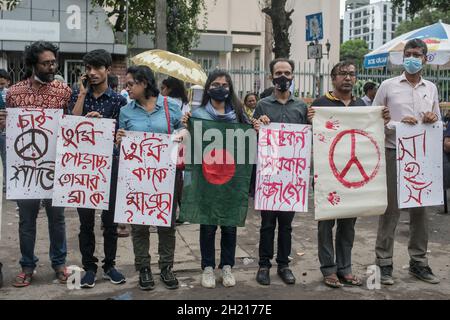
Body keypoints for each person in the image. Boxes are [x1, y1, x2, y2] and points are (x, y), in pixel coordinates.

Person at [307, 61, 390, 288]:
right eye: (342, 73)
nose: (347, 78)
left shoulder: (362, 107)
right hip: (327, 176)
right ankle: (328, 269)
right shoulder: (320, 105)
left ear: (355, 79)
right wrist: (310, 118)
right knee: (326, 223)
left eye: (351, 74)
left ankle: (345, 268)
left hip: (353, 179)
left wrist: (382, 119)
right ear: (333, 78)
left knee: (348, 225)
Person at [0, 41, 72, 287]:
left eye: (54, 62)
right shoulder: (14, 93)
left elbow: (71, 126)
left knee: (58, 219)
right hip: (26, 170)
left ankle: (60, 263)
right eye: (46, 63)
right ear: (33, 64)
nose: (52, 66)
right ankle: (27, 265)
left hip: (55, 168)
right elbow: (10, 130)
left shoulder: (64, 92)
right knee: (26, 221)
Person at [373, 38, 441, 285]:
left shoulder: (430, 88)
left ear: (425, 58)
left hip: (422, 156)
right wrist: (396, 126)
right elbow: (373, 119)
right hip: (394, 153)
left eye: (416, 54)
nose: (412, 58)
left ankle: (419, 263)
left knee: (421, 211)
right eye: (408, 53)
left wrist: (433, 117)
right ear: (403, 57)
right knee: (390, 210)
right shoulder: (388, 86)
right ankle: (384, 263)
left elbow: (436, 120)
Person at [181, 69, 254, 289]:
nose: (220, 88)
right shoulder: (198, 115)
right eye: (215, 84)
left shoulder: (240, 115)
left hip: (231, 182)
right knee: (208, 226)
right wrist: (186, 126)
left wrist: (257, 127)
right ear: (208, 88)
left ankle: (227, 267)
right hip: (207, 181)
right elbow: (190, 147)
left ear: (230, 89)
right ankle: (208, 268)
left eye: (224, 84)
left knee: (230, 226)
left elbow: (248, 144)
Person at [116, 65, 182, 291]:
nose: (128, 88)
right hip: (135, 175)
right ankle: (143, 267)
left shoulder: (169, 105)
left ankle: (166, 267)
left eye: (131, 84)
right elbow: (120, 143)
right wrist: (120, 138)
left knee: (167, 224)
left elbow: (183, 128)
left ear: (144, 83)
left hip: (164, 175)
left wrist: (182, 134)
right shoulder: (126, 111)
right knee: (139, 225)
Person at [69, 49, 127, 289]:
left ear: (108, 70)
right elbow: (70, 126)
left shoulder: (118, 101)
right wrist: (82, 97)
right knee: (85, 222)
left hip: (110, 166)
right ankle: (89, 267)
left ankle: (110, 265)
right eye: (88, 69)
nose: (92, 73)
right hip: (84, 168)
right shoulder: (78, 95)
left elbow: (121, 135)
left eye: (97, 68)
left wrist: (104, 125)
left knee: (110, 221)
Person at [254, 58, 308, 286]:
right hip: (268, 173)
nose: (283, 77)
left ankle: (283, 264)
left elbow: (307, 137)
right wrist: (257, 125)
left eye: (287, 72)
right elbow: (254, 133)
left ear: (293, 75)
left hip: (292, 176)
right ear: (271, 77)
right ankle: (264, 265)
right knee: (267, 224)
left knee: (286, 225)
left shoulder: (302, 107)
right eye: (278, 73)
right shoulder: (263, 105)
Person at [0, 69, 10, 193]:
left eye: (2, 84)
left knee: (7, 161)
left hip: (7, 134)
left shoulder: (10, 94)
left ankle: (7, 185)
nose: (0, 87)